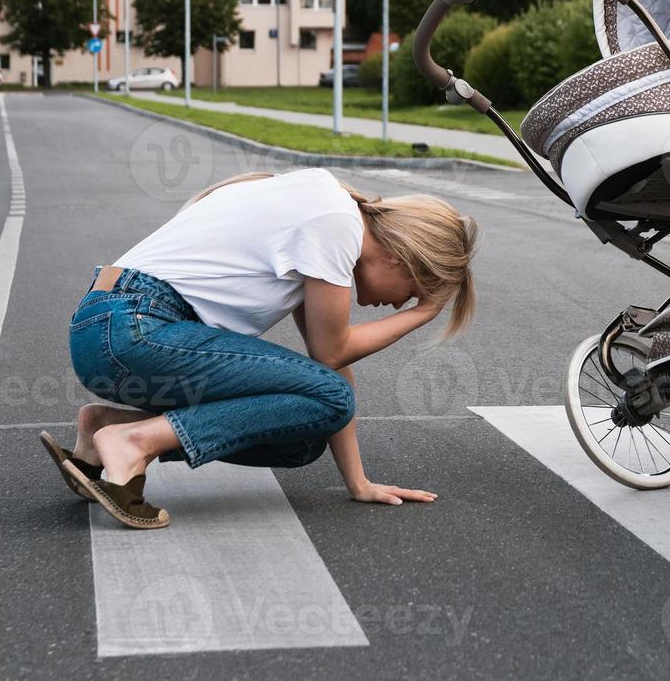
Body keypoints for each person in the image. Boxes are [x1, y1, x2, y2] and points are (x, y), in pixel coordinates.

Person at [38, 167, 477, 530]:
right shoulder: (335, 225)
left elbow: (331, 366)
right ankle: (134, 442)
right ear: (402, 259)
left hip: (112, 330)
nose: (399, 304)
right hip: (136, 331)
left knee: (301, 441)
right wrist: (424, 314)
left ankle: (105, 430)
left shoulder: (322, 210)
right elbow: (332, 355)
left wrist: (358, 482)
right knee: (329, 400)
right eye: (413, 292)